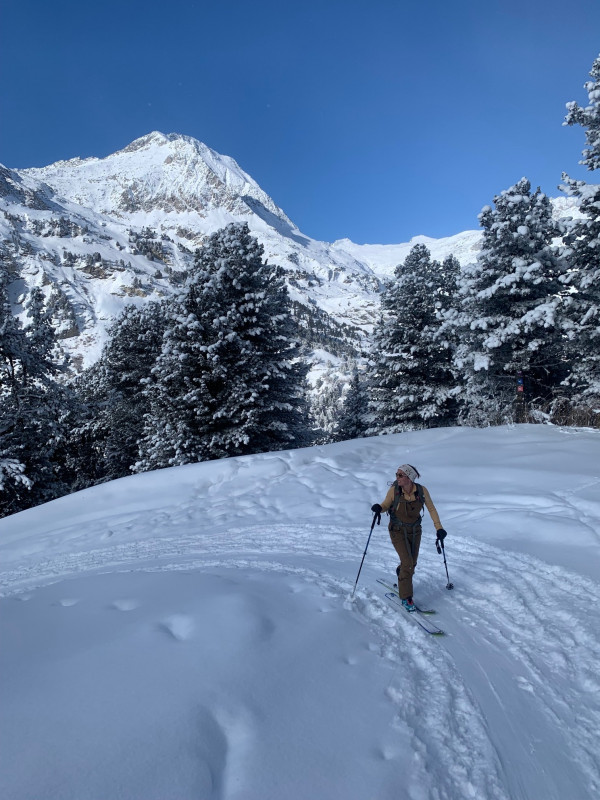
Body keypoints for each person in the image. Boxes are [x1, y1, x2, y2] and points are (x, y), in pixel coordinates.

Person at [371, 464, 447, 612]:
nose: (397, 478)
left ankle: (402, 573)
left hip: (415, 530)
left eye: (400, 475)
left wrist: (439, 528)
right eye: (396, 475)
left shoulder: (421, 490)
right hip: (397, 529)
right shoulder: (394, 490)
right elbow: (386, 503)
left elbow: (431, 508)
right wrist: (379, 508)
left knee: (412, 562)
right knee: (408, 563)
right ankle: (406, 597)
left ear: (409, 477)